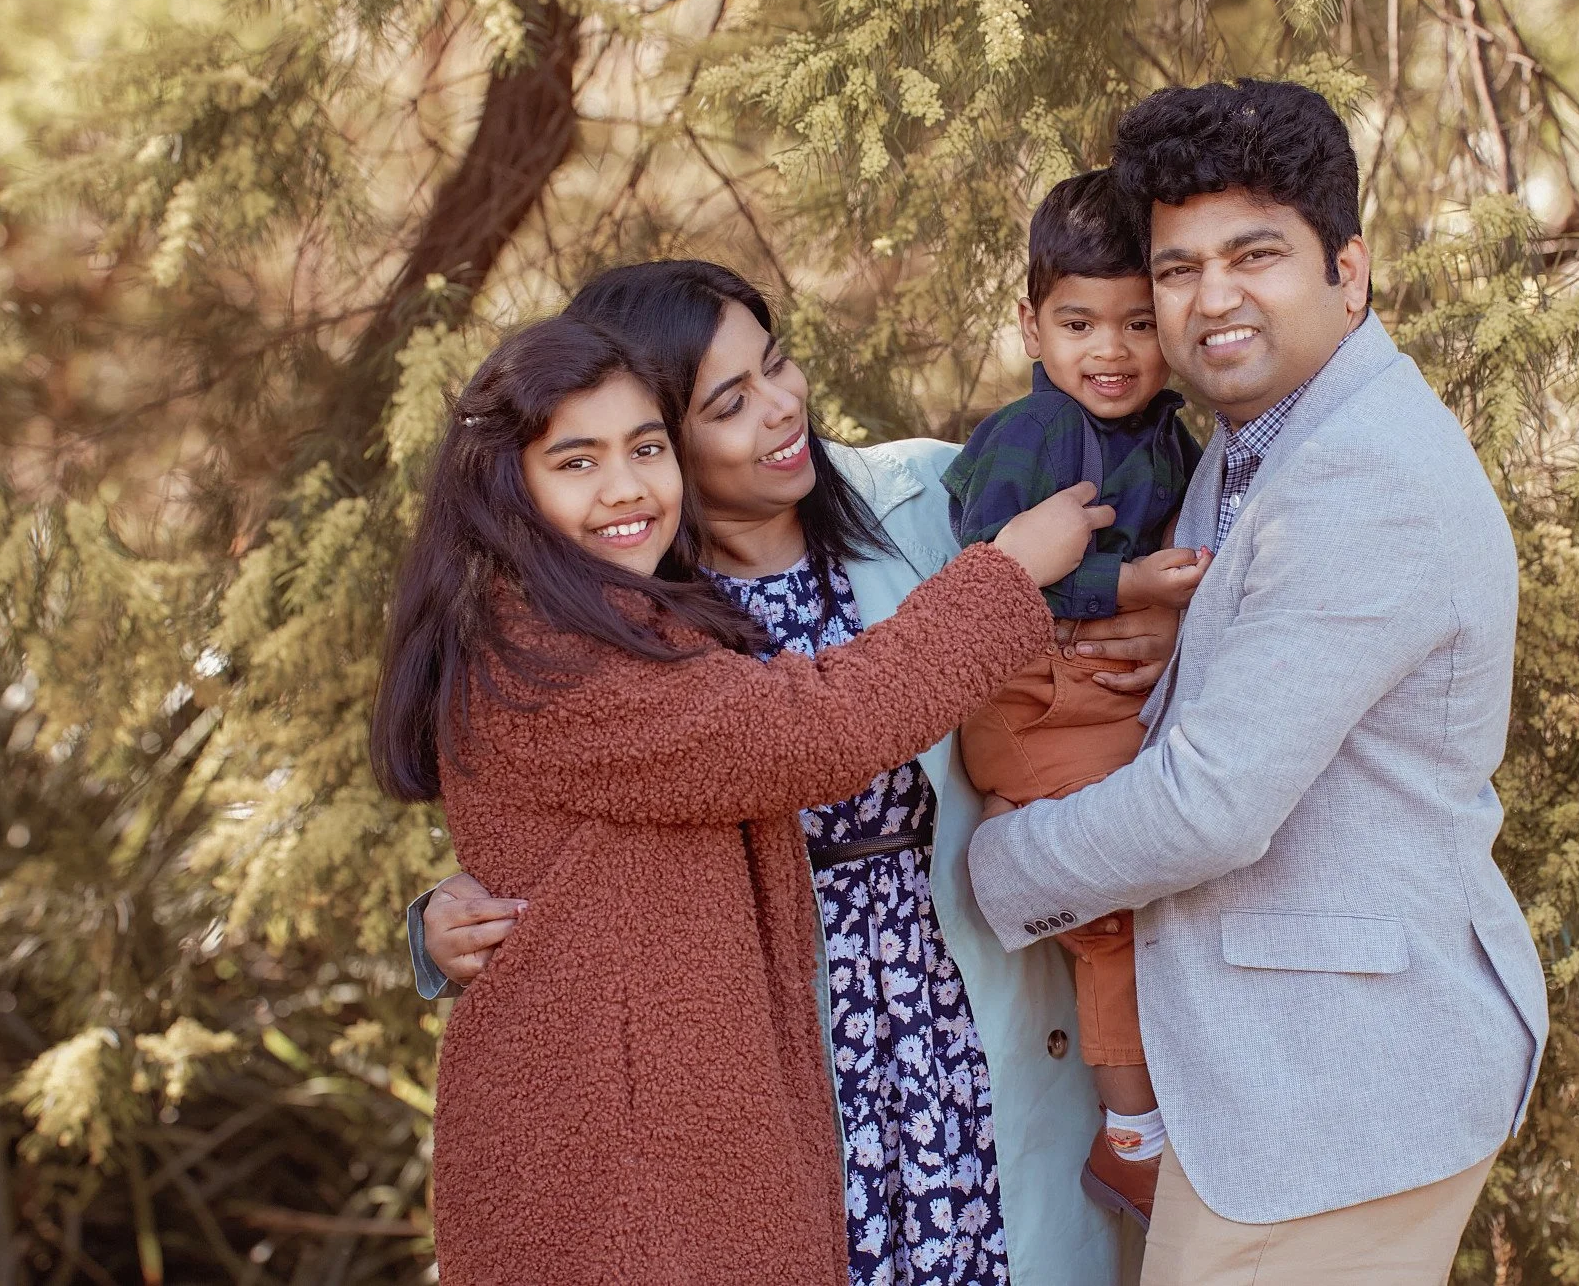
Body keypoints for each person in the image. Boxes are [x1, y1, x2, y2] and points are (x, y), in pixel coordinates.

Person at [408, 261, 1177, 1284]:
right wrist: (434, 922)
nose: (781, 409)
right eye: (728, 404)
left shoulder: (942, 497)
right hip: (784, 1049)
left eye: (775, 365)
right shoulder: (610, 603)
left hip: (965, 992)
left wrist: (1154, 632)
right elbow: (581, 817)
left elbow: (1133, 611)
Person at [967, 79, 1549, 1285]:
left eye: (1253, 255)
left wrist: (985, 869)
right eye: (1175, 269)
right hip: (1264, 1083)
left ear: (1348, 270)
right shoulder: (1249, 441)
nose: (1208, 298)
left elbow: (1208, 805)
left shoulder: (1360, 479)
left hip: (1334, 1093)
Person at [941, 168, 1209, 1227]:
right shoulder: (1033, 437)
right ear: (1030, 327)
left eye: (1137, 322)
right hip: (1030, 702)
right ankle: (1130, 1138)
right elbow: (991, 575)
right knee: (1113, 904)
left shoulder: (1171, 435)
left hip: (1097, 701)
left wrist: (1164, 614)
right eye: (1078, 322)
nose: (1110, 350)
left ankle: (1160, 1108)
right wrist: (1125, 586)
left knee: (1176, 873)